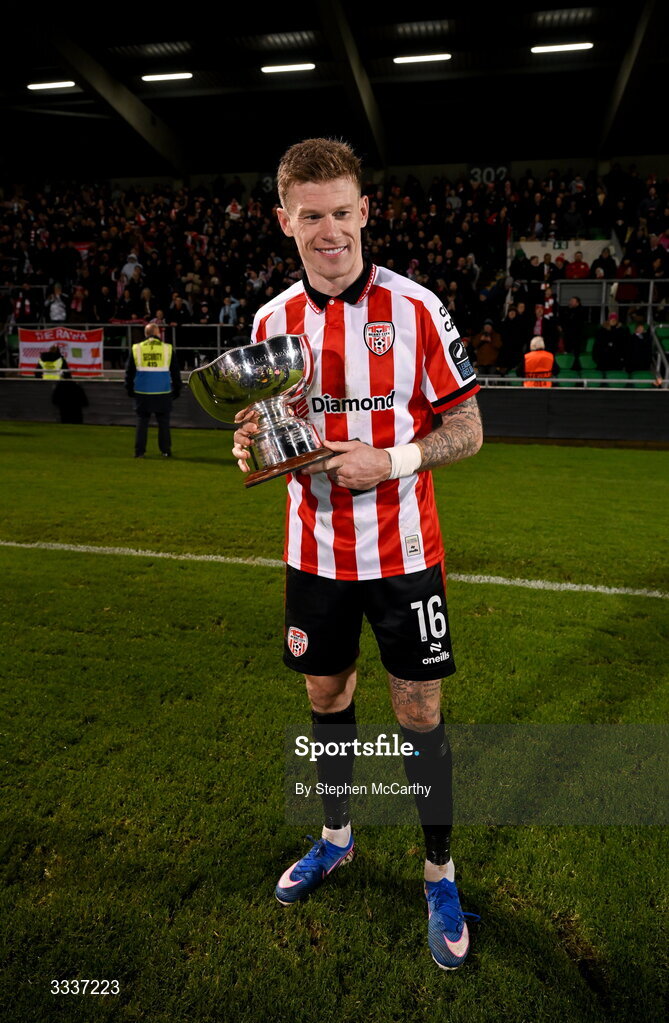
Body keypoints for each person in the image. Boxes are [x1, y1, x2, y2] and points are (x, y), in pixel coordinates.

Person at [232, 138, 483, 971]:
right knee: (326, 690)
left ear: (364, 211)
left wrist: (396, 458)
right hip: (314, 553)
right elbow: (273, 438)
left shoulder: (415, 308)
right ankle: (336, 837)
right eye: (311, 217)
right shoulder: (270, 323)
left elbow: (467, 429)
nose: (329, 230)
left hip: (405, 552)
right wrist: (253, 451)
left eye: (342, 212)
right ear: (284, 221)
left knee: (417, 711)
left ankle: (437, 873)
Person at [125, 322, 181, 458]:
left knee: (141, 423)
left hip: (142, 392)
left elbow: (129, 372)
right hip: (163, 392)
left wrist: (129, 389)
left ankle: (139, 452)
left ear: (145, 334)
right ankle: (166, 451)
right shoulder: (167, 348)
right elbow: (175, 372)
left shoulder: (136, 348)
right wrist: (177, 389)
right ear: (158, 334)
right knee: (164, 424)